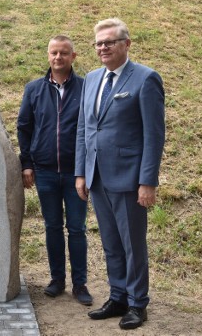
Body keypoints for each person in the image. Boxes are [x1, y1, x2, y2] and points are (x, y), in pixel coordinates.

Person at [75, 18, 165, 330]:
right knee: (111, 243)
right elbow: (84, 129)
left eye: (109, 42)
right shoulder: (91, 79)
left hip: (129, 179)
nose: (102, 48)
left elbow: (154, 135)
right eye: (98, 43)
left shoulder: (146, 79)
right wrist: (80, 173)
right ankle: (118, 296)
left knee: (132, 245)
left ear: (126, 44)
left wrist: (147, 181)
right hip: (97, 178)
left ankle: (138, 304)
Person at [17, 35, 93, 305]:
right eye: (53, 53)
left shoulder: (87, 88)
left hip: (76, 174)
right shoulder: (34, 89)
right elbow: (24, 127)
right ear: (48, 55)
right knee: (52, 227)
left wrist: (87, 169)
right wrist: (26, 163)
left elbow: (93, 130)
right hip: (45, 172)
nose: (58, 57)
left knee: (77, 228)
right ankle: (57, 279)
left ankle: (80, 284)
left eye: (63, 53)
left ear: (73, 56)